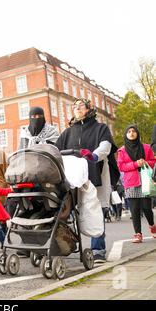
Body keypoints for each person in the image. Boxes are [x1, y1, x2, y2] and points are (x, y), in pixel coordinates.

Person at [55, 98, 120, 264]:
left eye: (80, 106)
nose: (77, 108)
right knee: (65, 211)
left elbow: (106, 146)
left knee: (95, 211)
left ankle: (98, 250)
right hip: (72, 178)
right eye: (74, 106)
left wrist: (95, 155)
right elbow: (55, 150)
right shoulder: (68, 132)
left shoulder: (101, 128)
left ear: (89, 109)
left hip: (94, 174)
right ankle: (65, 244)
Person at [17, 106, 59, 256]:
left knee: (47, 206)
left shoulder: (52, 132)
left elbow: (55, 152)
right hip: (28, 174)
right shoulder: (23, 133)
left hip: (46, 173)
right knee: (23, 206)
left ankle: (45, 241)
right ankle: (26, 242)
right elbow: (20, 153)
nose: (36, 119)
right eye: (33, 116)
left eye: (39, 116)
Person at [117, 125, 156, 242]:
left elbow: (154, 162)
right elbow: (121, 166)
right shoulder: (122, 150)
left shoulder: (146, 147)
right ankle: (138, 233)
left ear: (137, 133)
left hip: (145, 181)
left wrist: (145, 162)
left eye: (134, 131)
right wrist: (135, 164)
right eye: (129, 131)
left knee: (146, 208)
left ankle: (152, 226)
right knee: (134, 210)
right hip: (131, 182)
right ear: (126, 135)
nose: (132, 133)